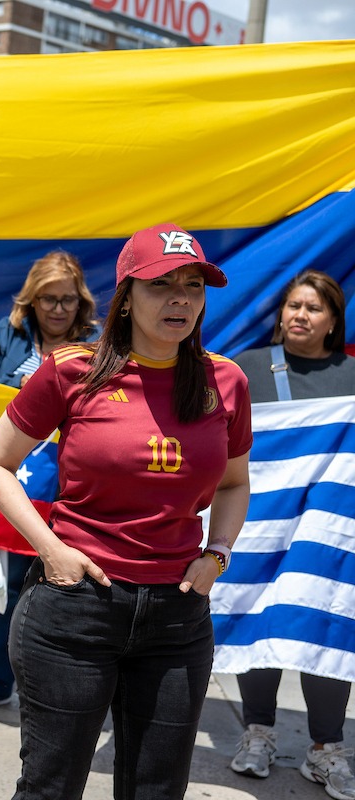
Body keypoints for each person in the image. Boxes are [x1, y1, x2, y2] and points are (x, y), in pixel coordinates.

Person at [0, 223, 252, 799]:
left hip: (178, 617)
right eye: (162, 285)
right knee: (51, 787)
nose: (181, 299)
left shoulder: (226, 382)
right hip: (76, 609)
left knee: (156, 789)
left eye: (194, 286)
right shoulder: (71, 370)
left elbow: (232, 485)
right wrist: (51, 550)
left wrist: (217, 555)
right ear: (127, 297)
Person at [228, 270, 355, 796]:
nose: (300, 315)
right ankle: (257, 733)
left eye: (314, 308)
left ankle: (326, 749)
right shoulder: (246, 369)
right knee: (258, 622)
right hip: (261, 526)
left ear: (333, 321)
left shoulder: (352, 376)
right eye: (293, 305)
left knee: (324, 626)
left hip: (327, 535)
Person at [0, 250, 97, 713]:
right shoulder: (4, 336)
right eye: (49, 300)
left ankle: (74, 693)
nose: (59, 310)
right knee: (11, 589)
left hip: (78, 490)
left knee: (79, 596)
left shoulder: (100, 343)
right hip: (19, 486)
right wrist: (27, 391)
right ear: (30, 300)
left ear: (81, 303)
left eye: (68, 301)